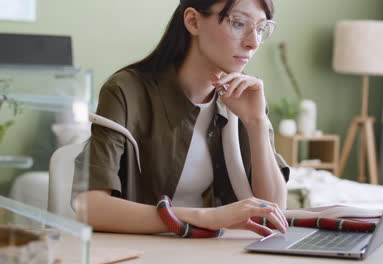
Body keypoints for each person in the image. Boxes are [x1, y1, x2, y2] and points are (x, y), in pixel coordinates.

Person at [73, 0, 290, 237]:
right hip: (144, 251)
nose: (253, 42)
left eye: (260, 29)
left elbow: (274, 213)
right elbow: (91, 207)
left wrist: (256, 122)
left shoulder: (246, 96)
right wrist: (206, 217)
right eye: (238, 23)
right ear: (193, 21)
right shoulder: (126, 91)